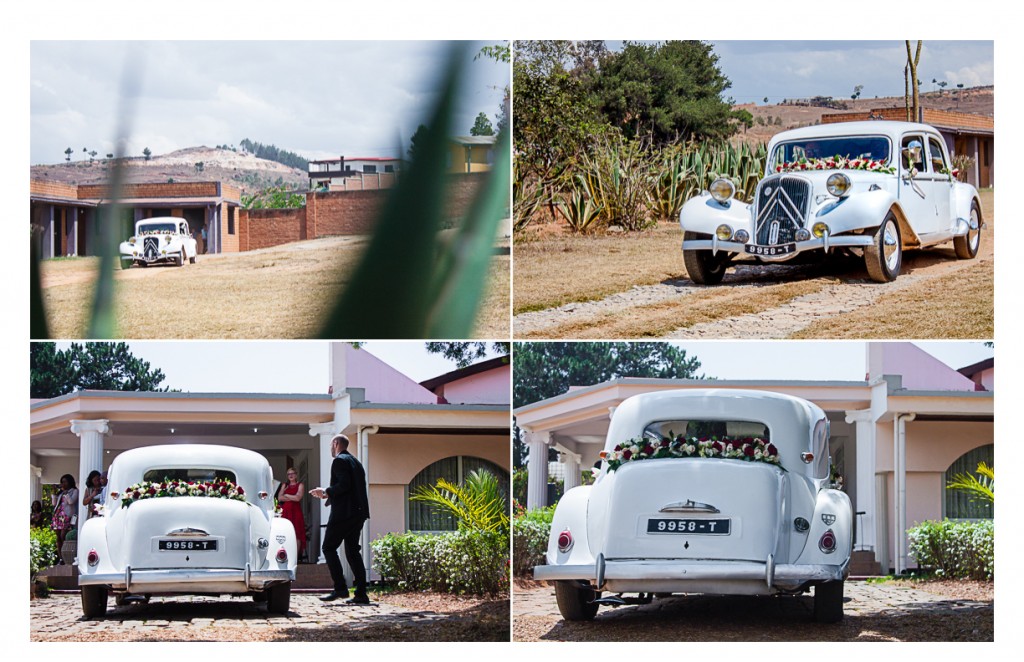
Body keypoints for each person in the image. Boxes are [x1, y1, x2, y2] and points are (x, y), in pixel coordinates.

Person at [310, 434, 370, 604]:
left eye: (331, 444)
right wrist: (327, 494)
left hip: (344, 514)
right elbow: (349, 488)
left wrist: (327, 491)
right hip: (358, 513)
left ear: (336, 443)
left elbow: (344, 485)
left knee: (328, 547)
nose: (330, 447)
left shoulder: (339, 461)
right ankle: (361, 593)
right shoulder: (355, 462)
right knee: (352, 551)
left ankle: (340, 588)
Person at [276, 467, 307, 561]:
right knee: (286, 533)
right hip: (286, 512)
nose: (290, 475)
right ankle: (287, 557)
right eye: (289, 474)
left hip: (296, 512)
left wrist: (287, 495)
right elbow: (280, 498)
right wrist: (290, 497)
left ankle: (296, 558)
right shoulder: (285, 485)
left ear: (296, 475)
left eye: (292, 473)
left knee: (297, 533)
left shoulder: (300, 485)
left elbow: (298, 498)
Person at [51, 474, 78, 562]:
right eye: (62, 482)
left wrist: (66, 494)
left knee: (64, 535)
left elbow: (71, 501)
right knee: (58, 537)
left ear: (70, 482)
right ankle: (61, 558)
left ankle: (67, 555)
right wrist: (54, 494)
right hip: (58, 516)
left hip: (67, 516)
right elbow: (54, 504)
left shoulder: (74, 491)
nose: (63, 484)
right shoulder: (61, 493)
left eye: (65, 482)